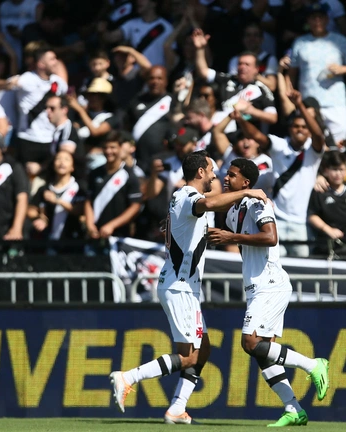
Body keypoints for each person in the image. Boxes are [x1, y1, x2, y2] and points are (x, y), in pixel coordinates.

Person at [109, 150, 269, 424]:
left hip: (186, 288)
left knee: (202, 350)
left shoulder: (183, 198)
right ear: (200, 173)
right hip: (179, 287)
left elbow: (192, 220)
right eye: (212, 170)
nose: (216, 175)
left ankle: (176, 408)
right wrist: (248, 193)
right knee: (188, 357)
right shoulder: (188, 196)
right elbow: (209, 204)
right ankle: (127, 377)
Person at [208, 158, 329, 427]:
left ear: (246, 183)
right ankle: (294, 408)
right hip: (257, 286)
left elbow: (270, 237)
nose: (226, 178)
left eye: (232, 175)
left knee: (250, 343)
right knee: (263, 351)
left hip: (270, 284)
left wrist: (231, 237)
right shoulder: (232, 210)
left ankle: (314, 365)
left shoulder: (257, 203)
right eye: (227, 174)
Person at [238, 91, 326, 257]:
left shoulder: (312, 151)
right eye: (296, 126)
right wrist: (241, 120)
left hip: (301, 224)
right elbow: (257, 136)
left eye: (304, 127)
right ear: (290, 128)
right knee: (274, 268)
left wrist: (299, 104)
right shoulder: (280, 145)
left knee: (302, 271)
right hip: (275, 220)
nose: (299, 129)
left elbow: (319, 135)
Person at [288, 2, 346, 143]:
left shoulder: (340, 41)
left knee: (338, 145)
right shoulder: (300, 42)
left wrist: (342, 69)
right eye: (313, 18)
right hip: (308, 103)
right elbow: (292, 73)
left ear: (327, 19)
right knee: (310, 145)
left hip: (335, 103)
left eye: (320, 17)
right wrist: (291, 100)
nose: (317, 21)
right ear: (307, 21)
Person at [193, 29, 278, 128]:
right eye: (240, 63)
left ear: (256, 69)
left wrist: (251, 110)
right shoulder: (227, 79)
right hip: (219, 128)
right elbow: (203, 72)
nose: (242, 67)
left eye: (247, 64)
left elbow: (273, 118)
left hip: (243, 136)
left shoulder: (262, 89)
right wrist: (199, 49)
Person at [9, 46, 68, 168]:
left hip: (50, 139)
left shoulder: (58, 82)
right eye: (52, 59)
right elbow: (0, 85)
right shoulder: (28, 78)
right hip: (28, 139)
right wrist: (8, 83)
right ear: (41, 64)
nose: (56, 62)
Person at [84, 131, 142, 253]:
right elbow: (89, 201)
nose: (109, 151)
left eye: (113, 147)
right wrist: (90, 225)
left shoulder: (130, 175)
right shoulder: (94, 173)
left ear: (120, 148)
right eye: (105, 147)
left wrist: (112, 225)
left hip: (119, 238)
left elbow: (135, 206)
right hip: (95, 236)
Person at [28, 149, 84, 251]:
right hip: (48, 242)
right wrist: (40, 217)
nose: (62, 162)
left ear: (72, 166)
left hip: (72, 242)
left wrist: (58, 201)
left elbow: (80, 210)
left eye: (66, 159)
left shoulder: (79, 188)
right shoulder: (44, 189)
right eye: (58, 159)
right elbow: (31, 209)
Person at [124, 65, 173, 173]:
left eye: (159, 78)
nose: (155, 81)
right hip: (138, 161)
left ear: (166, 81)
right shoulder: (136, 101)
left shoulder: (173, 102)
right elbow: (126, 127)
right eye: (151, 78)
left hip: (162, 162)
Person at [99, 0, 173, 67]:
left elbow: (171, 55)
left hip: (156, 74)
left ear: (154, 3)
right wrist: (102, 29)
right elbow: (111, 38)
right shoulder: (131, 23)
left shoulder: (166, 27)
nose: (138, 1)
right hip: (136, 75)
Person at [308, 151, 346, 256]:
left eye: (341, 169)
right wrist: (327, 229)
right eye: (334, 169)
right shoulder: (320, 190)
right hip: (325, 246)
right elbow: (312, 216)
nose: (338, 174)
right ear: (326, 171)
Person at [227, 22, 279, 92]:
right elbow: (232, 84)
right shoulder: (235, 60)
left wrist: (253, 74)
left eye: (256, 35)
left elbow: (272, 86)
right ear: (243, 39)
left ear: (262, 39)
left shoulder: (270, 59)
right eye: (248, 35)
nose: (252, 38)